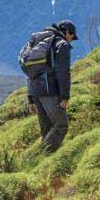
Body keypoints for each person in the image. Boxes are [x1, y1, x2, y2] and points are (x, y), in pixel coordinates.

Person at [26, 20, 77, 153]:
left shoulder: (42, 44)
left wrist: (30, 98)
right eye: (72, 37)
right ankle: (40, 156)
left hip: (36, 92)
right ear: (67, 32)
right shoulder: (62, 45)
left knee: (47, 129)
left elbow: (31, 72)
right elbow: (63, 73)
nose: (71, 40)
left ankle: (40, 162)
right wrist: (65, 97)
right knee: (61, 126)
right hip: (49, 91)